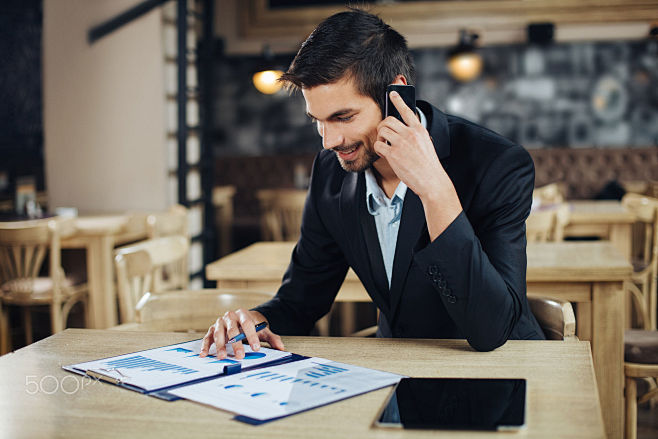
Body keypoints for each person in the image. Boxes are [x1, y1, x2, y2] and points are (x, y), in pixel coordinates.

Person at [201, 8, 544, 361]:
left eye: (343, 117)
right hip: (398, 371)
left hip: (502, 372)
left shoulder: (498, 164)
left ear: (395, 97)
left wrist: (434, 188)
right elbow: (302, 299)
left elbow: (493, 329)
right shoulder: (330, 173)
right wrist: (255, 320)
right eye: (317, 121)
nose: (329, 141)